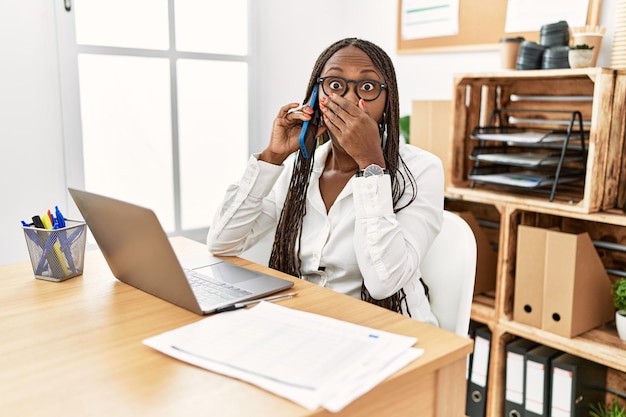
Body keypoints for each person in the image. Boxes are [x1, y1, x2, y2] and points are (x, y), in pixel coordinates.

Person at [207, 38, 444, 325]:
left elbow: (385, 282)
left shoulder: (421, 170)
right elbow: (222, 243)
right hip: (309, 322)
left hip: (388, 328)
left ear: (387, 100)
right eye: (334, 84)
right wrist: (272, 156)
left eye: (367, 87)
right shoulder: (300, 169)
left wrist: (371, 165)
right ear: (317, 95)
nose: (348, 99)